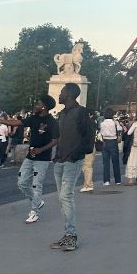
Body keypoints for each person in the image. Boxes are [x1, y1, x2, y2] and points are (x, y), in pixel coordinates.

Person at [50, 83, 93, 251]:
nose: (59, 95)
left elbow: (88, 138)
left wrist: (76, 155)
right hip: (60, 161)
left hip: (72, 161)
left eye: (61, 92)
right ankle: (68, 234)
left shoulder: (81, 113)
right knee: (62, 199)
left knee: (66, 196)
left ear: (68, 94)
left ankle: (71, 236)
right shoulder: (62, 114)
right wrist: (57, 156)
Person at [99, 107, 122, 186]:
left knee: (106, 163)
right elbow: (119, 130)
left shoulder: (102, 123)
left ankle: (106, 181)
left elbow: (101, 133)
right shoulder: (115, 122)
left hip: (105, 142)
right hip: (113, 142)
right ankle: (117, 180)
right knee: (115, 162)